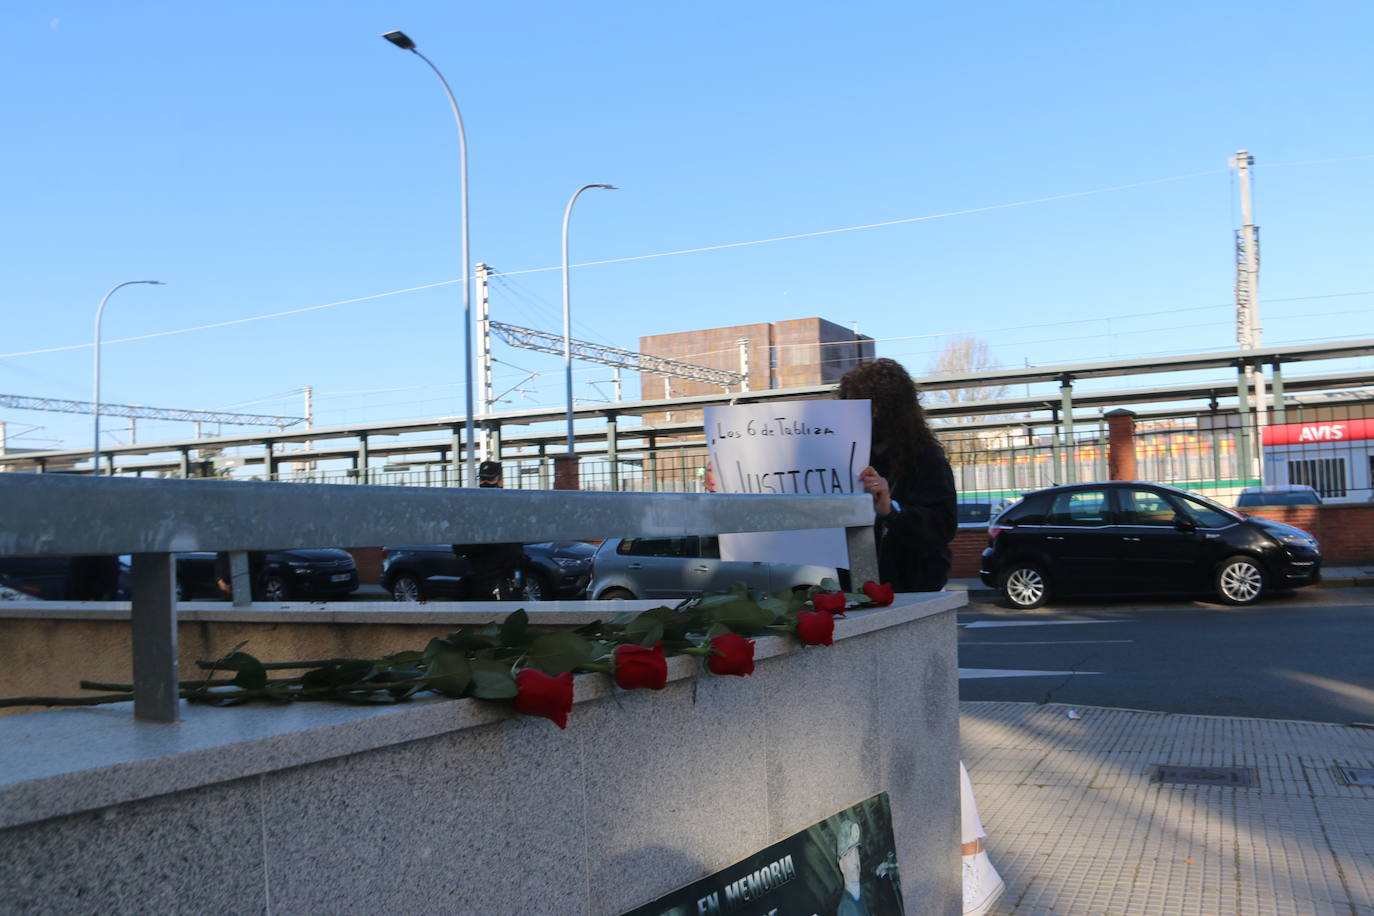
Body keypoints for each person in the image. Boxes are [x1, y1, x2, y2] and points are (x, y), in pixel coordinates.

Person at [837, 358, 957, 591]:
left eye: (864, 404)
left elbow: (942, 527)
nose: (855, 412)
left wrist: (891, 510)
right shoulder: (843, 454)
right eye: (850, 403)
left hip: (911, 589)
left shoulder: (925, 458)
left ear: (890, 408)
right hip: (853, 588)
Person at [453, 460, 526, 600]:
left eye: (490, 479)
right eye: (482, 479)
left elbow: (514, 549)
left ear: (500, 480)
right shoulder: (471, 508)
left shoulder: (510, 507)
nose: (485, 483)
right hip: (480, 581)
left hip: (502, 582)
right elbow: (458, 546)